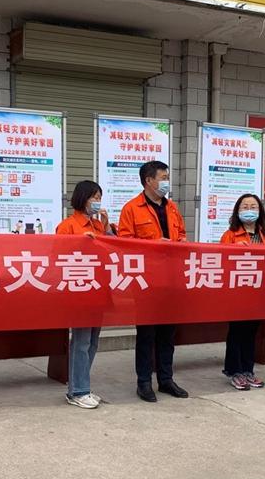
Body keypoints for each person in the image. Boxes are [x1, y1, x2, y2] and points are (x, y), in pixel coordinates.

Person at [117, 160, 189, 402]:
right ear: (149, 180)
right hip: (146, 282)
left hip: (172, 279)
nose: (167, 181)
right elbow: (125, 244)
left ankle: (166, 380)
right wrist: (154, 245)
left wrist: (180, 243)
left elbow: (182, 234)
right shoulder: (132, 209)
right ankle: (144, 382)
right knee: (146, 335)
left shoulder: (172, 208)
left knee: (168, 335)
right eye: (163, 177)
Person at [55, 180, 112, 409]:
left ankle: (82, 385)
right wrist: (79, 244)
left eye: (100, 197)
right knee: (81, 342)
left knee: (93, 342)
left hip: (98, 290)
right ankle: (78, 390)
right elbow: (58, 257)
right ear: (82, 198)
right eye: (94, 197)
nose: (97, 202)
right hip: (79, 292)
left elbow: (112, 252)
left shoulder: (99, 226)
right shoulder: (67, 226)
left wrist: (107, 229)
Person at [220, 194, 265, 391]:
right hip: (238, 292)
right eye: (245, 206)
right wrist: (234, 249)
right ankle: (235, 371)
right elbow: (220, 260)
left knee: (251, 333)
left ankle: (248, 370)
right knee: (237, 332)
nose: (249, 210)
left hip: (259, 291)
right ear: (238, 211)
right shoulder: (230, 235)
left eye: (253, 206)